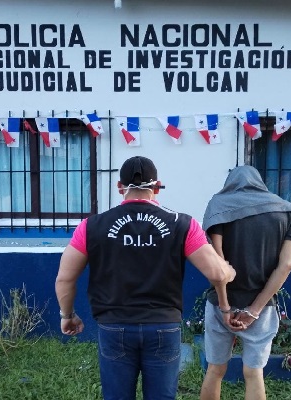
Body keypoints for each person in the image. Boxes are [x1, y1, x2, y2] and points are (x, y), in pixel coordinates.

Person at [55, 155, 236, 400]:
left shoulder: (91, 226)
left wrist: (68, 315)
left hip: (114, 325)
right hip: (163, 326)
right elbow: (217, 273)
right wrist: (229, 270)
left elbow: (65, 279)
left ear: (120, 188)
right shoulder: (181, 223)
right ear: (157, 186)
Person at [199, 165, 291, 400]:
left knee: (215, 369)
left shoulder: (219, 207)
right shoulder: (285, 211)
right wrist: (254, 311)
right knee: (253, 371)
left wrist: (225, 306)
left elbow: (218, 264)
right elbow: (286, 265)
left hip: (220, 303)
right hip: (263, 307)